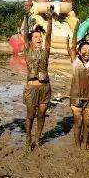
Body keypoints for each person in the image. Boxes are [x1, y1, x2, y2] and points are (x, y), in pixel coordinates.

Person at [21, 12, 53, 151]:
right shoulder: (27, 50)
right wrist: (25, 17)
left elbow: (49, 35)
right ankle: (28, 137)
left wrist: (50, 19)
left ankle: (38, 138)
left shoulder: (46, 50)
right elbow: (25, 33)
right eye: (35, 37)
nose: (38, 38)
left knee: (41, 115)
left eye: (40, 36)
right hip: (32, 88)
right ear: (31, 39)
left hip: (45, 88)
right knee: (30, 115)